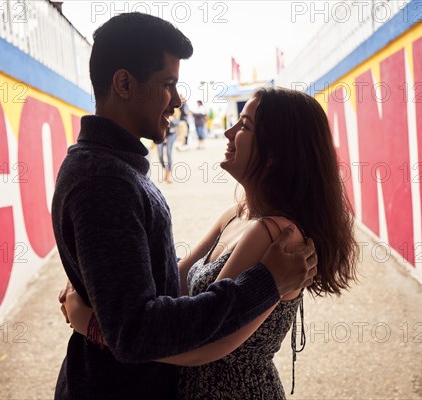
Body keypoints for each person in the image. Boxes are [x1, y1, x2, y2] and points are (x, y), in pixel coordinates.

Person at [51, 13, 317, 400]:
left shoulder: (117, 169)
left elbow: (164, 287)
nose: (177, 100)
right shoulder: (105, 181)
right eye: (168, 84)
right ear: (124, 83)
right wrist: (264, 284)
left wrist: (89, 319)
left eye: (244, 126)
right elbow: (135, 332)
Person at [62, 87, 358, 398]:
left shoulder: (275, 235)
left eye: (244, 126)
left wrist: (94, 324)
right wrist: (100, 287)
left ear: (275, 153)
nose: (228, 132)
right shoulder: (236, 215)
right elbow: (171, 282)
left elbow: (206, 344)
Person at [157, 108, 179, 183]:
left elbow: (177, 123)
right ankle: (165, 169)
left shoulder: (174, 110)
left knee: (169, 153)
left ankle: (168, 174)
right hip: (161, 135)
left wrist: (172, 120)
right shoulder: (160, 109)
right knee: (160, 155)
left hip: (171, 135)